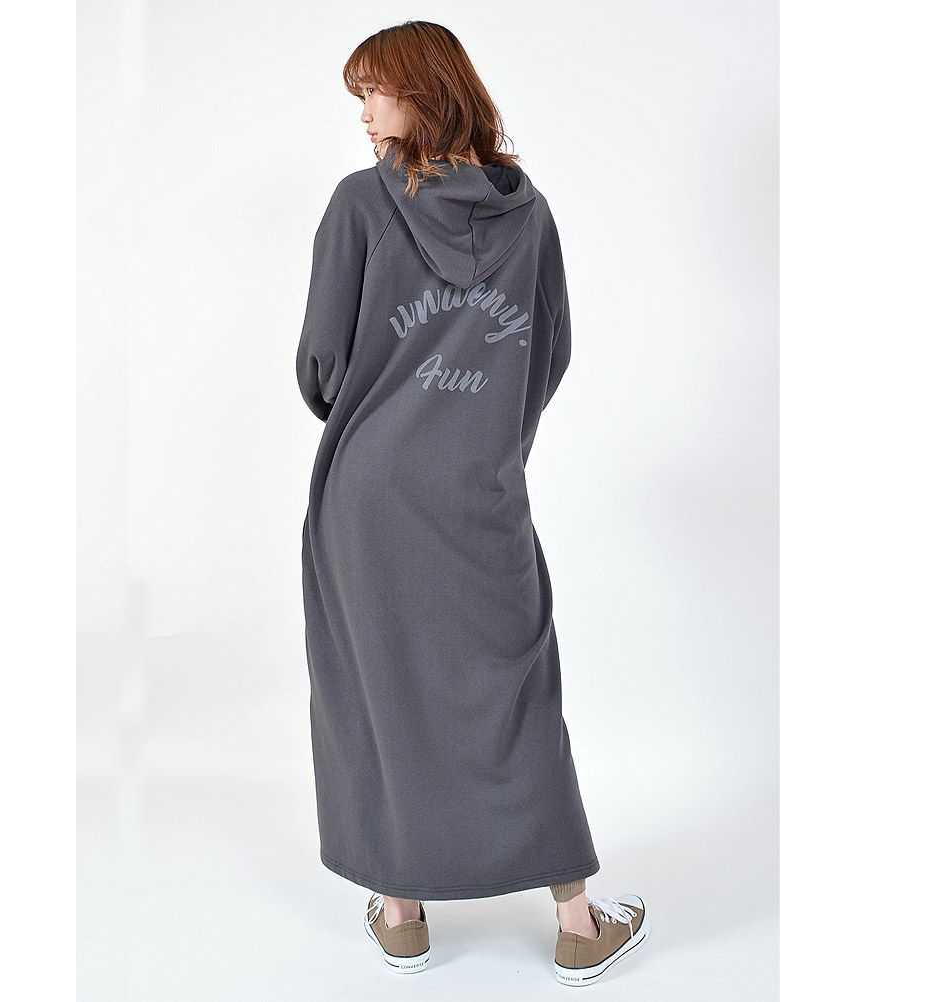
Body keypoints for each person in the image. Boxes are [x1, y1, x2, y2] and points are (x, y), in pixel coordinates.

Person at [294, 20, 650, 986]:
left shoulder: (361, 205)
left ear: (425, 91)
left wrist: (382, 416)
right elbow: (549, 351)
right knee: (514, 683)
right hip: (479, 488)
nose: (366, 115)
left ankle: (402, 912)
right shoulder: (528, 216)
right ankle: (577, 922)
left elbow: (321, 362)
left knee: (380, 682)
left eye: (377, 92)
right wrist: (484, 432)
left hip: (368, 495)